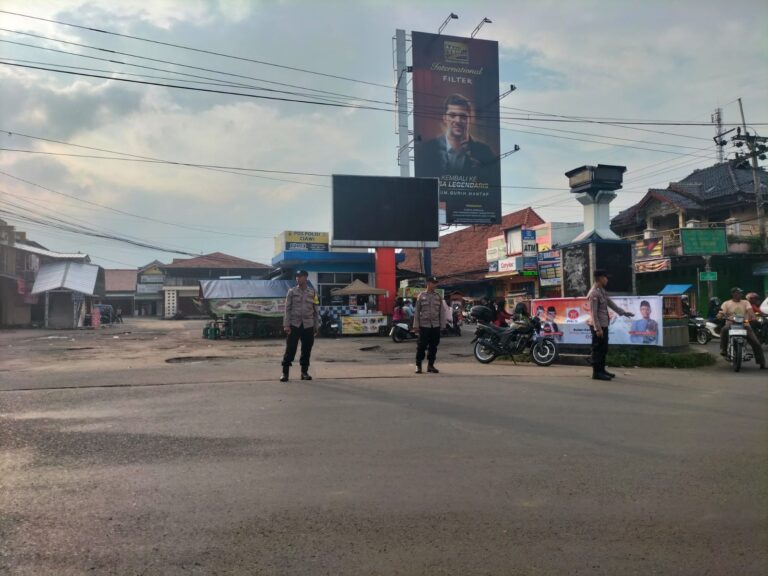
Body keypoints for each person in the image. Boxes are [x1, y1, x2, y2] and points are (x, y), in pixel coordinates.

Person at [418, 93, 496, 178]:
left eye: (463, 116)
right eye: (452, 115)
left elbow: (492, 184)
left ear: (469, 119)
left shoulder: (485, 152)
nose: (458, 121)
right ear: (444, 118)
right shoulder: (428, 149)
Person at [587, 269, 634, 381]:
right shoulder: (594, 293)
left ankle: (602, 370)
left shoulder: (601, 291)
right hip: (598, 326)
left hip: (603, 324)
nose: (607, 279)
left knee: (604, 349)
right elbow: (594, 313)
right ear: (600, 278)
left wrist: (623, 312)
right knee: (598, 349)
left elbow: (610, 303)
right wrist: (598, 329)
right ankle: (597, 373)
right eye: (605, 277)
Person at [280, 270, 320, 382]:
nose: (298, 278)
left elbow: (316, 310)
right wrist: (286, 325)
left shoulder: (313, 292)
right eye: (297, 276)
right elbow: (287, 309)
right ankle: (285, 373)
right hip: (294, 324)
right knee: (290, 348)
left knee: (307, 349)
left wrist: (316, 326)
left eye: (300, 276)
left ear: (306, 277)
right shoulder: (291, 292)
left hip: (308, 325)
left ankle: (304, 372)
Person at [717, 287, 766, 369]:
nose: (740, 294)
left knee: (756, 342)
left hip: (745, 324)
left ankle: (762, 363)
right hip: (730, 324)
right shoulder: (726, 303)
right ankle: (723, 350)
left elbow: (750, 311)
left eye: (741, 293)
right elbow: (721, 312)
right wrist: (719, 315)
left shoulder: (746, 302)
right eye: (738, 293)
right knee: (724, 330)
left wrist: (753, 317)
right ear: (733, 294)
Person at [413, 276, 446, 374]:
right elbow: (417, 312)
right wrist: (416, 326)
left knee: (433, 346)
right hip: (424, 325)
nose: (435, 284)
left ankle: (430, 365)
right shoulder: (421, 296)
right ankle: (418, 365)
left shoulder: (438, 296)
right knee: (421, 346)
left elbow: (442, 312)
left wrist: (442, 325)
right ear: (428, 283)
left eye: (436, 283)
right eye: (433, 282)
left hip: (435, 325)